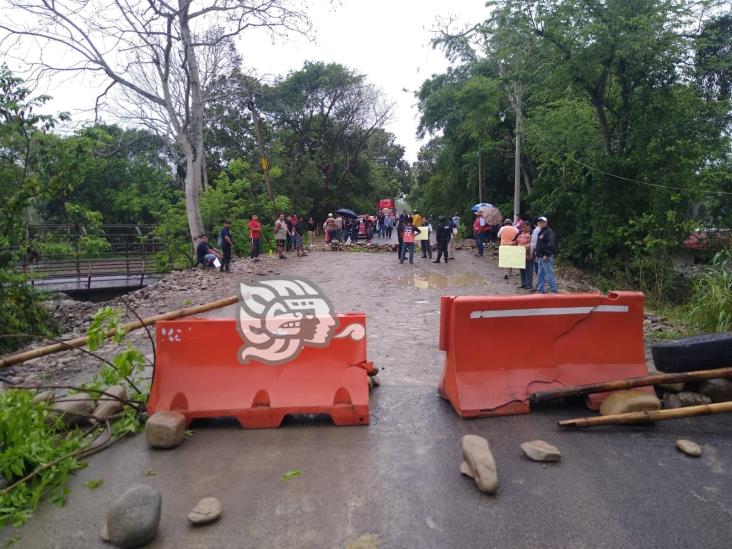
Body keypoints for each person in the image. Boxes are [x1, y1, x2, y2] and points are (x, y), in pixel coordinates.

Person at [535, 216, 558, 293]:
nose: (540, 223)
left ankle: (553, 290)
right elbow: (539, 244)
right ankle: (540, 289)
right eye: (539, 222)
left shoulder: (549, 232)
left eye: (542, 222)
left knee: (549, 274)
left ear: (546, 222)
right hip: (540, 256)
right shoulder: (541, 232)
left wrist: (547, 255)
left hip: (545, 257)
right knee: (540, 274)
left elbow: (551, 245)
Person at [516, 222, 533, 289]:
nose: (523, 228)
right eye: (522, 227)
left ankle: (529, 284)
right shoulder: (520, 233)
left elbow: (534, 243)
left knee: (528, 270)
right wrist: (513, 243)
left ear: (529, 226)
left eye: (524, 227)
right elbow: (516, 240)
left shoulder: (532, 233)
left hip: (528, 255)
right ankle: (523, 283)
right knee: (521, 269)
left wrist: (528, 245)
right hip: (520, 254)